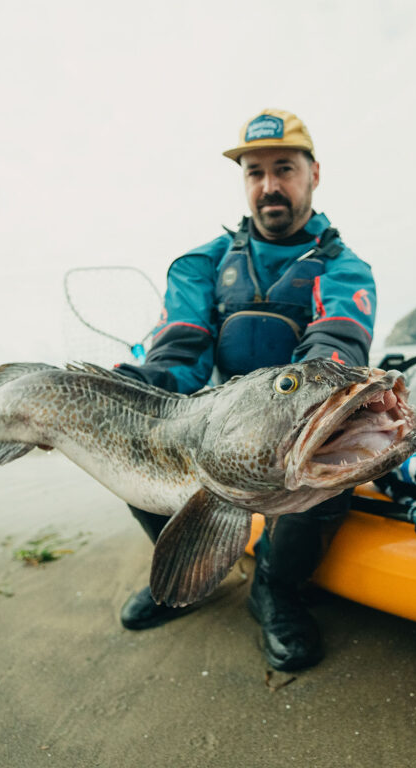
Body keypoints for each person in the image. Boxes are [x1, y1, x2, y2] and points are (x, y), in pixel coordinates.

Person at [112, 108, 377, 672]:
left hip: (294, 431)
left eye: (284, 168)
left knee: (329, 470)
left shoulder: (343, 267)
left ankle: (274, 590)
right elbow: (180, 353)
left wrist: (299, 424)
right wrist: (137, 388)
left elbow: (336, 349)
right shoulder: (202, 263)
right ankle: (190, 575)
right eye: (255, 172)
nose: (269, 185)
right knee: (137, 439)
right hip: (219, 431)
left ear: (314, 173)